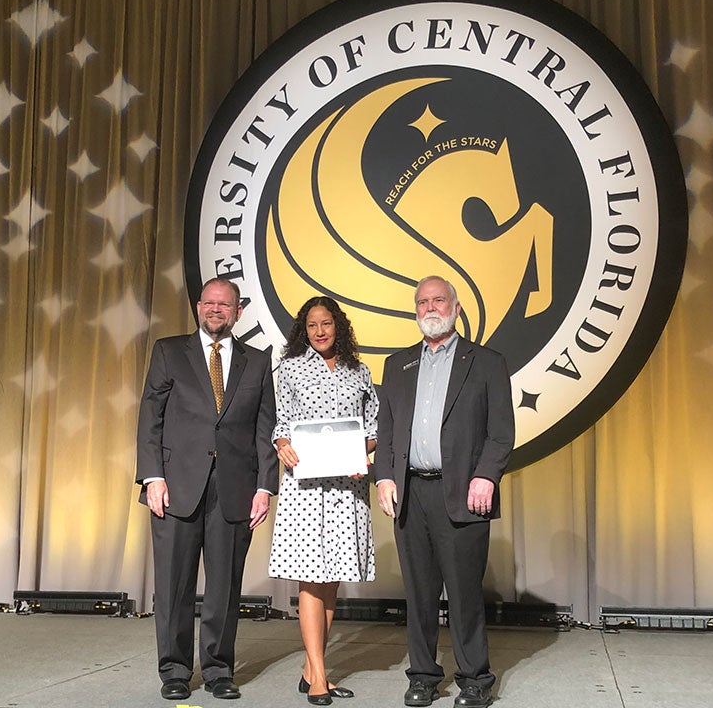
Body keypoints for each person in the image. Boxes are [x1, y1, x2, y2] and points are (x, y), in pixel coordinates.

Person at [372, 276, 513, 708]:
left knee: (466, 593)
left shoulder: (486, 362)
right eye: (422, 301)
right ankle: (423, 676)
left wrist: (486, 476)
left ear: (455, 306)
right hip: (411, 495)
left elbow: (501, 432)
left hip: (465, 494)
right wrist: (384, 476)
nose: (430, 307)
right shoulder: (397, 365)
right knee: (418, 595)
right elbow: (388, 430)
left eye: (438, 300)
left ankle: (474, 680)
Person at [135, 277, 278, 701]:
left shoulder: (257, 362)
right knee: (174, 584)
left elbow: (264, 429)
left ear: (238, 311)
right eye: (210, 303)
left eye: (225, 304)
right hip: (175, 487)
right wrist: (152, 476)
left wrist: (265, 487)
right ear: (199, 307)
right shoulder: (168, 351)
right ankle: (175, 670)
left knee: (224, 587)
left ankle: (218, 669)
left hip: (235, 490)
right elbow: (150, 419)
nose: (216, 309)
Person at [268, 296, 378, 706]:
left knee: (331, 580)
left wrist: (360, 453)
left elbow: (373, 427)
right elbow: (280, 421)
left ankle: (312, 668)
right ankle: (319, 678)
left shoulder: (359, 371)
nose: (319, 331)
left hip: (347, 487)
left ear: (339, 327)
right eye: (312, 325)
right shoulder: (291, 369)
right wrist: (282, 444)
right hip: (306, 487)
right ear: (303, 329)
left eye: (326, 323)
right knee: (310, 577)